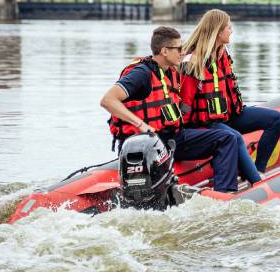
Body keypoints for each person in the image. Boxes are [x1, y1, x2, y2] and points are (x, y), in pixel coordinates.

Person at [100, 26, 240, 193]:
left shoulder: (170, 71)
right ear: (165, 51)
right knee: (227, 138)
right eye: (179, 48)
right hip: (150, 143)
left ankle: (224, 193)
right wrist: (140, 125)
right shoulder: (142, 73)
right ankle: (224, 195)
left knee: (226, 138)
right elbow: (108, 100)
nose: (183, 52)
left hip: (172, 138)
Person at [179, 9, 280, 184]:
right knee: (234, 137)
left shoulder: (223, 53)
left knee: (275, 119)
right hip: (205, 123)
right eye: (229, 27)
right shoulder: (192, 62)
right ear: (217, 31)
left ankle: (258, 169)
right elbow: (185, 104)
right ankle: (256, 182)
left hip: (230, 114)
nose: (231, 31)